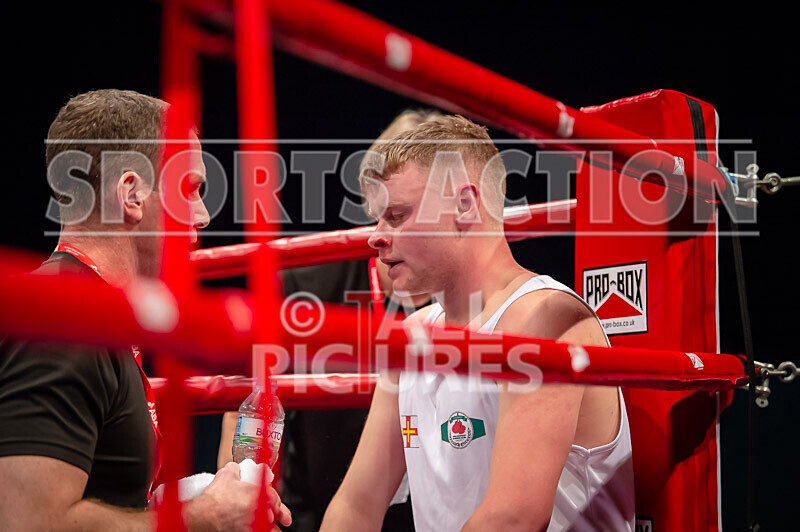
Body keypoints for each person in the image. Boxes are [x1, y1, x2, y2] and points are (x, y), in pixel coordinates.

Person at [321, 115, 635, 531]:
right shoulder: (412, 337)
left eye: (396, 215)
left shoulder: (546, 319)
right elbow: (356, 506)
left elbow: (514, 519)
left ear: (464, 205)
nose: (375, 236)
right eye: (378, 219)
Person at [0, 89, 291, 530]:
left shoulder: (98, 313)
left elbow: (101, 493)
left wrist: (195, 498)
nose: (204, 214)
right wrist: (200, 517)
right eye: (191, 189)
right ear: (132, 195)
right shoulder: (67, 326)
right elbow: (30, 522)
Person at [218, 109, 442, 531]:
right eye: (392, 210)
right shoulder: (307, 285)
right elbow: (250, 403)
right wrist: (245, 498)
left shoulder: (468, 293)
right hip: (315, 515)